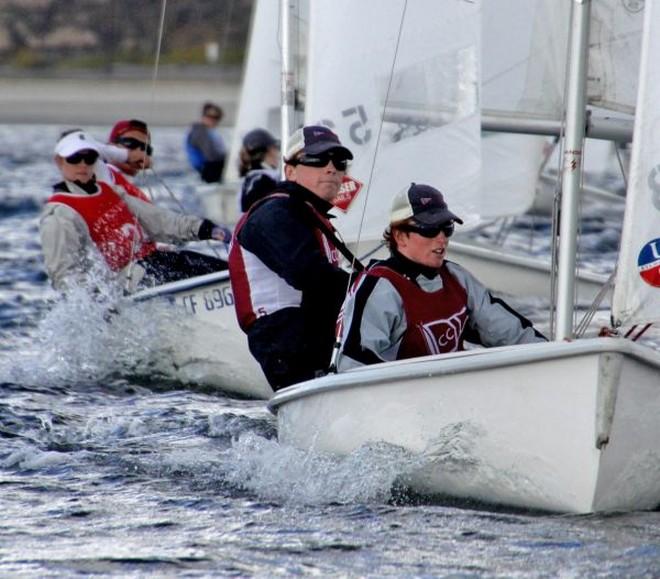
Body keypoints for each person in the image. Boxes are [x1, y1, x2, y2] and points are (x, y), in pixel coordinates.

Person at [336, 183, 547, 371]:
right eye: (430, 229)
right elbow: (353, 366)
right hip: (397, 404)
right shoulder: (379, 287)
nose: (441, 239)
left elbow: (508, 332)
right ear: (400, 236)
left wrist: (549, 357)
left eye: (447, 228)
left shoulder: (456, 277)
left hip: (447, 398)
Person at [228, 125, 360, 390]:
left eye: (339, 161)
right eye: (317, 159)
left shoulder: (309, 213)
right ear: (289, 171)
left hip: (314, 338)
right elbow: (309, 274)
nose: (331, 168)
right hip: (289, 343)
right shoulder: (273, 213)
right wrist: (373, 288)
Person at [40, 129, 230, 293]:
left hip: (156, 262)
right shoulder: (59, 214)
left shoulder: (111, 192)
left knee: (229, 272)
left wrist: (203, 228)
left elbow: (159, 221)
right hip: (127, 283)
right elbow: (64, 276)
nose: (82, 164)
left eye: (89, 158)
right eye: (74, 158)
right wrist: (99, 305)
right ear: (59, 162)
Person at [237, 128, 281, 213]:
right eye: (276, 148)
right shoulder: (263, 181)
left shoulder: (251, 179)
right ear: (269, 151)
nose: (278, 153)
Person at [185, 102, 227, 183]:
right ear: (203, 116)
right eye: (210, 117)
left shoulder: (209, 132)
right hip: (205, 171)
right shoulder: (199, 132)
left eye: (217, 118)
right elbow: (210, 156)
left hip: (207, 169)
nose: (213, 120)